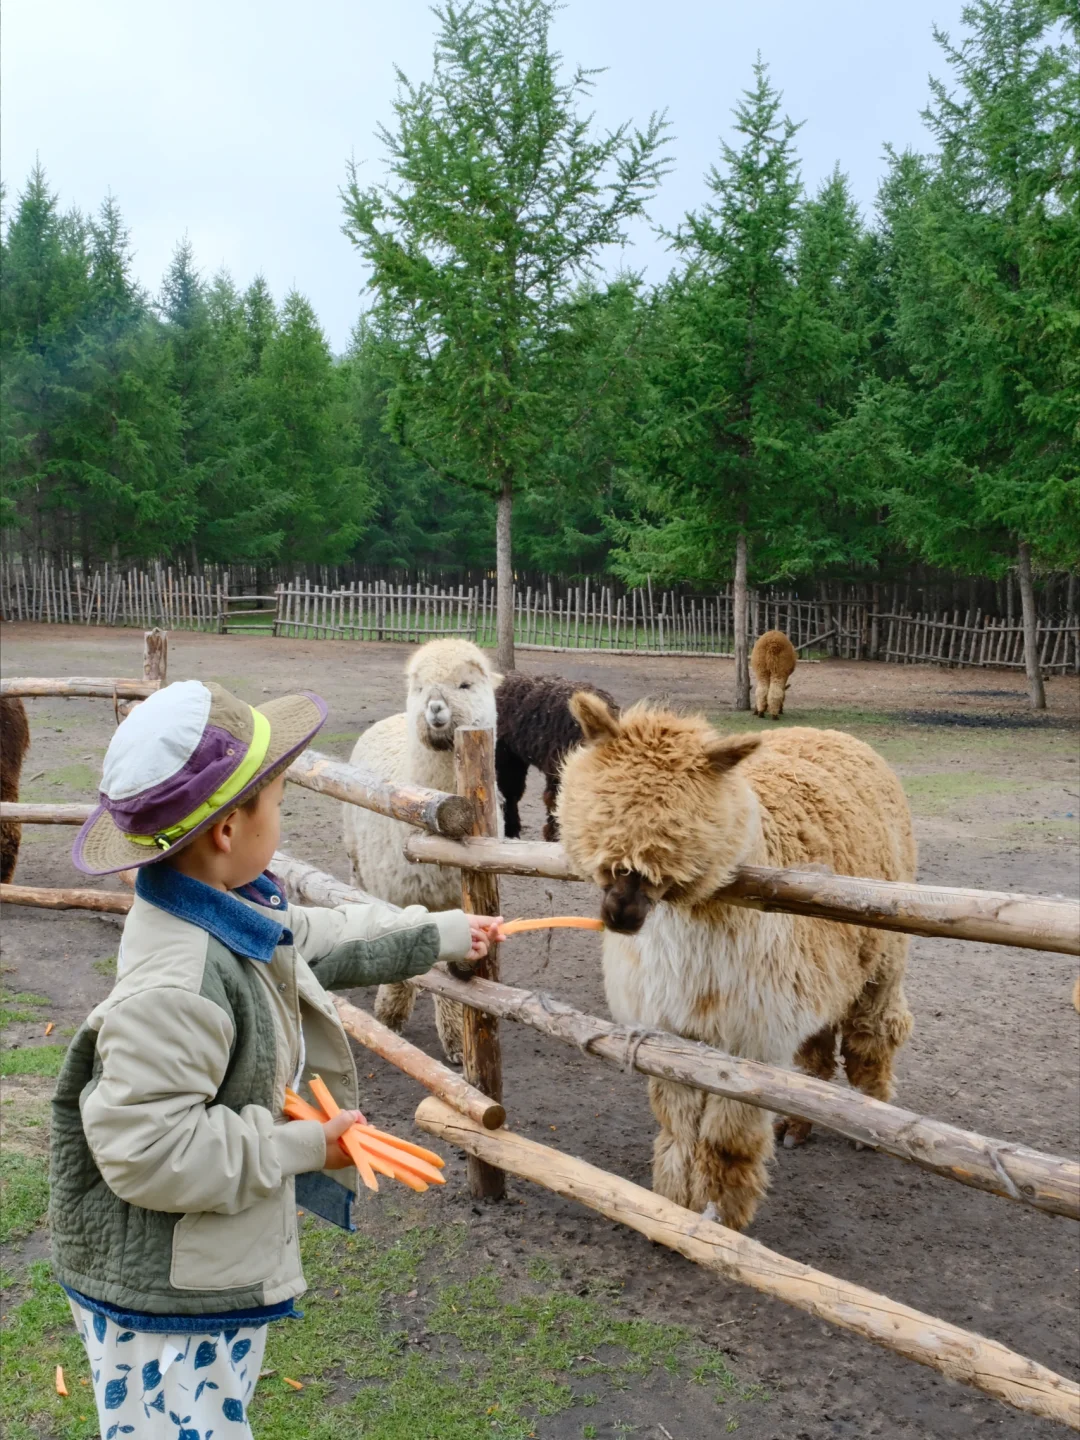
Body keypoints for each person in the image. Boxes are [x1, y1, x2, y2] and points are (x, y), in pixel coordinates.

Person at [51, 680, 502, 1438]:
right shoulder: (180, 981)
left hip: (192, 1271)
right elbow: (147, 1149)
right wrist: (304, 1146)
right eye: (280, 801)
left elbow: (317, 938)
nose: (284, 816)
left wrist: (444, 934)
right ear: (229, 830)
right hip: (166, 1299)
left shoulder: (223, 910)